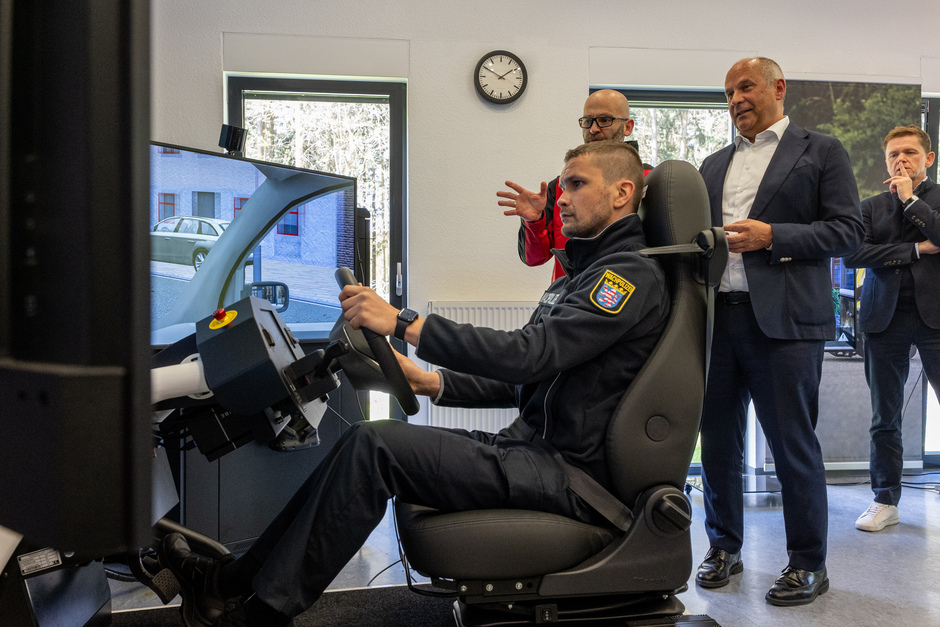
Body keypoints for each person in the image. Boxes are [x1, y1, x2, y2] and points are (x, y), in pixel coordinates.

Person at [159, 141, 669, 627]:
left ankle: (259, 614)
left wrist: (403, 323)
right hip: (530, 453)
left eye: (576, 184)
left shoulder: (624, 278)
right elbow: (536, 377)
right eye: (562, 185)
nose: (562, 197)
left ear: (622, 193)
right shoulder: (578, 276)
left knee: (376, 447)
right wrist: (430, 382)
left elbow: (528, 354)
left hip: (568, 477)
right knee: (366, 440)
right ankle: (230, 581)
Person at [695, 57, 863, 606]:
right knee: (718, 443)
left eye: (746, 86)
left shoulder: (822, 150)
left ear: (778, 88)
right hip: (718, 321)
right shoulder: (712, 164)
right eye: (727, 93)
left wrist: (774, 236)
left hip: (787, 324)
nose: (736, 98)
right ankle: (724, 547)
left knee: (793, 447)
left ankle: (808, 564)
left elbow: (848, 232)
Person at [843, 124, 940, 532]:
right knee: (885, 416)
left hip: (937, 319)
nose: (900, 160)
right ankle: (885, 500)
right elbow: (855, 254)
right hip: (885, 320)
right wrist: (917, 249)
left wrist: (910, 200)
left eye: (909, 153)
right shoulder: (869, 207)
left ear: (928, 159)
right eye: (893, 155)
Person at [497, 89, 636, 281]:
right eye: (587, 121)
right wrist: (533, 222)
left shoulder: (648, 181)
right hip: (569, 299)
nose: (593, 129)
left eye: (604, 120)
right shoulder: (561, 188)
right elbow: (534, 259)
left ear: (628, 127)